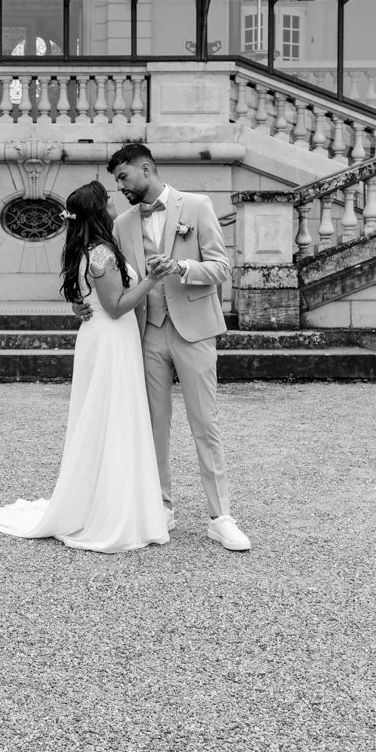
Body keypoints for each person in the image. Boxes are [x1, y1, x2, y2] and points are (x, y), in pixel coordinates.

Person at [0, 180, 171, 554]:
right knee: (112, 418)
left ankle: (108, 499)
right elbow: (116, 305)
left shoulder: (85, 250)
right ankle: (111, 510)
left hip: (100, 337)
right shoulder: (101, 254)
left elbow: (90, 299)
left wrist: (83, 305)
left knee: (102, 418)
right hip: (111, 339)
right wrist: (152, 280)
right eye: (108, 203)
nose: (113, 208)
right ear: (99, 211)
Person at [80, 143, 252, 552]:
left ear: (145, 169)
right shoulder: (121, 223)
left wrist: (181, 268)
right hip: (147, 332)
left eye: (123, 177)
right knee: (152, 424)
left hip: (194, 329)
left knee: (204, 423)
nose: (119, 186)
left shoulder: (196, 206)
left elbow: (222, 268)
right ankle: (161, 506)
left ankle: (221, 516)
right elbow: (109, 274)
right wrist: (81, 300)